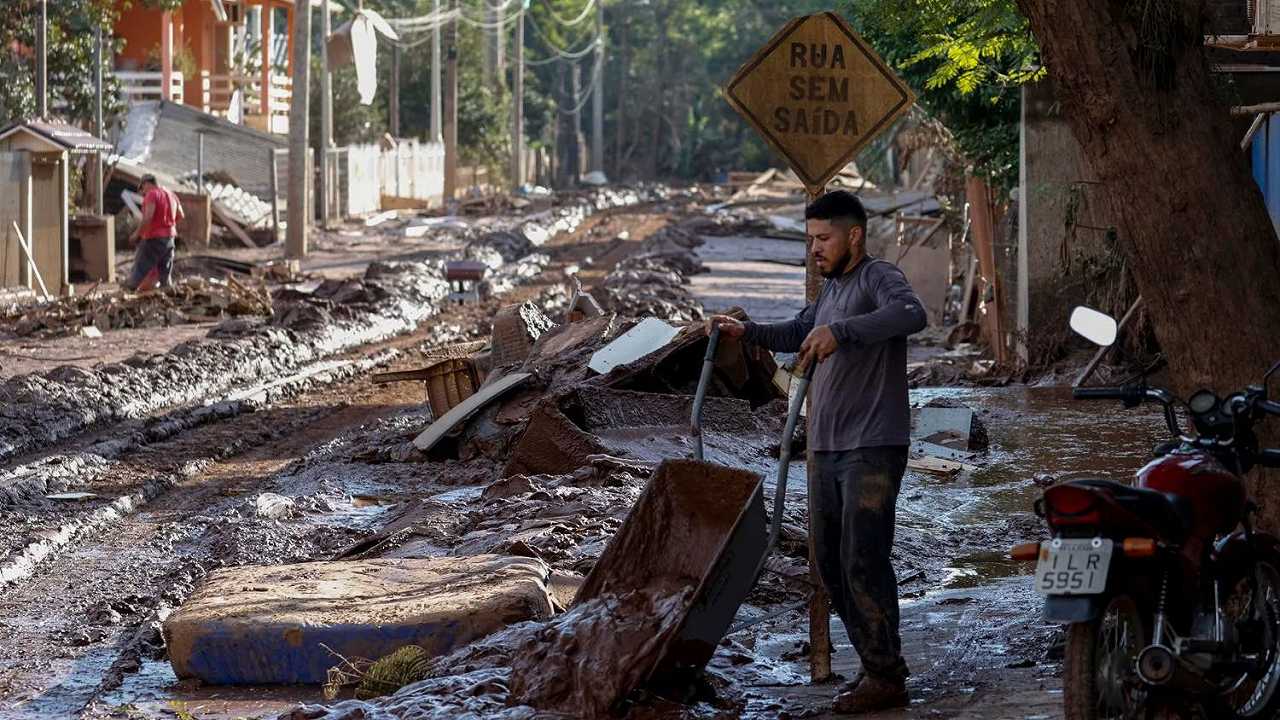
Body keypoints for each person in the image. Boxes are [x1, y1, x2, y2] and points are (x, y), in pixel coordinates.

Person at [707, 189, 927, 714]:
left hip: (872, 444)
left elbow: (911, 314)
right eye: (810, 240)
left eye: (824, 239)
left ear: (854, 236)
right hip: (826, 445)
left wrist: (843, 332)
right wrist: (748, 331)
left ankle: (885, 675)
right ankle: (879, 667)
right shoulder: (830, 292)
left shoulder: (877, 277)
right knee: (829, 562)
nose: (815, 250)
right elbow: (799, 330)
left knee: (862, 558)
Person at [126, 174, 183, 291]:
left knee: (139, 268)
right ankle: (168, 294)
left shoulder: (152, 194)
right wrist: (168, 224)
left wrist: (136, 234)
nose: (142, 192)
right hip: (170, 239)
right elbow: (181, 215)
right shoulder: (171, 194)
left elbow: (148, 218)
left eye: (142, 188)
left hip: (154, 239)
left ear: (147, 183)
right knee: (165, 275)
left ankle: (127, 292)